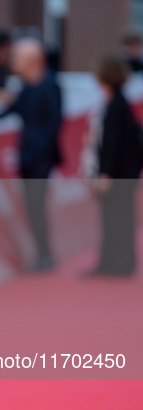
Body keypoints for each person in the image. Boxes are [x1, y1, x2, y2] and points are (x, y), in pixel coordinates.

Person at [0, 37, 62, 271]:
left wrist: (40, 154)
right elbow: (6, 112)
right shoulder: (25, 87)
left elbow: (53, 127)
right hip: (27, 158)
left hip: (39, 160)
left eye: (18, 57)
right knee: (31, 208)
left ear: (33, 60)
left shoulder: (49, 86)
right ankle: (42, 254)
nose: (13, 61)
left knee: (36, 207)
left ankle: (45, 255)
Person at [83, 56, 142, 276]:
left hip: (118, 176)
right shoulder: (118, 102)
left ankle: (119, 263)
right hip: (124, 174)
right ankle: (113, 261)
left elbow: (112, 143)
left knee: (117, 219)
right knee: (116, 218)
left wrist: (105, 173)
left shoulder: (116, 105)